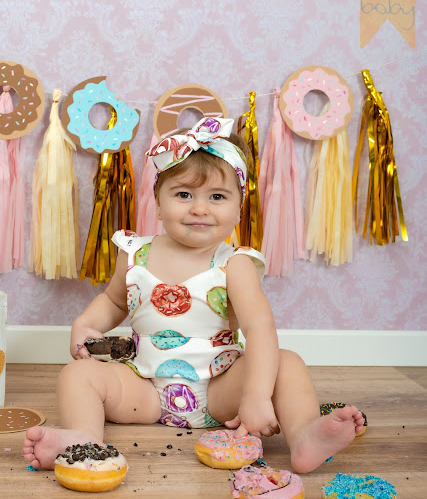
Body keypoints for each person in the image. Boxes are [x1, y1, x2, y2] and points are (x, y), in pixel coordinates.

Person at [23, 116, 364, 473]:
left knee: (288, 362)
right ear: (158, 202)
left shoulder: (234, 264)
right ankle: (84, 439)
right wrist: (86, 323)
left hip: (220, 389)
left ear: (238, 210)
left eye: (217, 197)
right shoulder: (135, 252)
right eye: (184, 194)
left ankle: (305, 436)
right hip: (145, 388)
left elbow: (260, 328)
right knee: (76, 376)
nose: (199, 208)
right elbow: (113, 301)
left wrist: (256, 395)